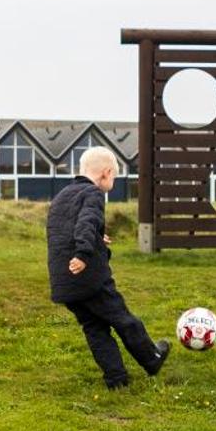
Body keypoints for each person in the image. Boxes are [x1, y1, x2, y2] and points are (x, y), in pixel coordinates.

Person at [48, 147, 170, 389]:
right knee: (124, 320)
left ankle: (116, 379)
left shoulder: (62, 195)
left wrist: (96, 237)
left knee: (95, 329)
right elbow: (86, 221)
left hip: (63, 281)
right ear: (105, 174)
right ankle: (152, 358)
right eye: (114, 175)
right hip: (89, 278)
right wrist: (84, 253)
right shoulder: (93, 194)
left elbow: (64, 229)